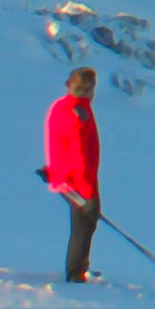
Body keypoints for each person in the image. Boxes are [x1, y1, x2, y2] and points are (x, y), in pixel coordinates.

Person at [44, 67, 101, 283]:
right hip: (79, 182)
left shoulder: (60, 106)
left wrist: (53, 170)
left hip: (62, 177)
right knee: (85, 224)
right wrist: (88, 195)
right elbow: (81, 156)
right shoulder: (80, 113)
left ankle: (77, 268)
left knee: (83, 224)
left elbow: (56, 141)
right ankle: (76, 273)